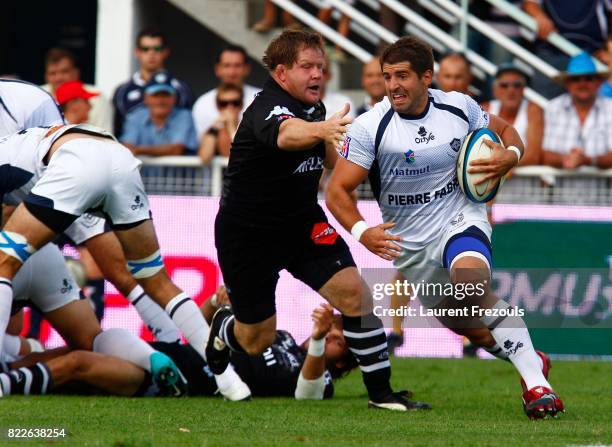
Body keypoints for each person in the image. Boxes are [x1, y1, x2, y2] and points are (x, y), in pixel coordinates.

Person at [325, 36, 564, 419]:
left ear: (426, 76)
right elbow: (337, 189)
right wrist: (360, 231)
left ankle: (538, 387)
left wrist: (510, 156)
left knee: (471, 284)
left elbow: (508, 134)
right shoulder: (371, 127)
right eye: (387, 77)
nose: (393, 85)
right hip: (411, 248)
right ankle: (533, 359)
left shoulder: (459, 106)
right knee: (467, 325)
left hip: (460, 219)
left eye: (402, 75)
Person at [205, 29, 429, 412]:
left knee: (356, 295)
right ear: (281, 73)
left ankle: (382, 395)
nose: (316, 75)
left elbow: (331, 160)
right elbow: (287, 135)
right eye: (306, 67)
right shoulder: (267, 107)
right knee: (257, 340)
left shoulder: (316, 109)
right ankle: (224, 328)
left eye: (321, 68)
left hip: (302, 224)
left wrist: (374, 159)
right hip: (248, 234)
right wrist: (321, 130)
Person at [0, 123, 250, 401]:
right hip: (118, 157)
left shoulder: (9, 155)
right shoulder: (20, 143)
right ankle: (229, 381)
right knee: (154, 280)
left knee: (3, 263)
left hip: (75, 160)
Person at [1, 297, 358, 400]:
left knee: (80, 362)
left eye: (337, 341)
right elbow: (202, 336)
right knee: (67, 351)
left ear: (342, 363)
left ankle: (8, 386)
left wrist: (316, 339)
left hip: (181, 381)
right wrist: (213, 309)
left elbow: (306, 395)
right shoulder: (277, 336)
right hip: (178, 353)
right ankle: (9, 371)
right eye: (332, 332)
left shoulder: (320, 377)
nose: (329, 337)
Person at [112, 28, 194, 135]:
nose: (151, 53)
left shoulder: (182, 90)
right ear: (137, 52)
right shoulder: (122, 92)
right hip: (131, 149)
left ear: (165, 52)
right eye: (145, 49)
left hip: (173, 149)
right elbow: (117, 131)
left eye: (157, 48)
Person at [524, 0, 611, 99]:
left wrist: (609, 49)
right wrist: (539, 16)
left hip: (592, 54)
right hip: (551, 49)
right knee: (543, 104)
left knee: (598, 105)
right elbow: (530, 3)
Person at [542, 52, 612, 170]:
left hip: (602, 188)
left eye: (588, 78)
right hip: (563, 188)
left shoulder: (610, 108)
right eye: (576, 79)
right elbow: (545, 154)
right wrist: (568, 159)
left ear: (598, 82)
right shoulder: (553, 107)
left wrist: (586, 160)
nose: (582, 83)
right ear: (567, 83)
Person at [120, 72, 198, 157]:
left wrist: (139, 150)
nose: (160, 101)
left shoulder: (184, 116)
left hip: (175, 170)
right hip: (144, 170)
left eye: (165, 95)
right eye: (155, 95)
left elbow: (176, 149)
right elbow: (127, 146)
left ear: (174, 98)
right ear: (146, 98)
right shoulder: (136, 116)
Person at [192, 45, 260, 141]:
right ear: (217, 69)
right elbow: (202, 148)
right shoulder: (203, 103)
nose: (232, 72)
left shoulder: (262, 99)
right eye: (226, 65)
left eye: (237, 65)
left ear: (247, 69)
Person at [481, 65, 543, 166]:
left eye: (517, 85)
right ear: (495, 90)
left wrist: (502, 165)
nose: (511, 90)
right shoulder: (485, 109)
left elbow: (534, 156)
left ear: (523, 89)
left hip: (521, 181)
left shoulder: (533, 110)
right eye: (504, 85)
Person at [41, 48, 112, 131]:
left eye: (64, 71)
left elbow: (105, 136)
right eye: (53, 73)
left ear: (76, 73)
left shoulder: (97, 97)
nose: (58, 78)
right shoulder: (38, 95)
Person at [198, 84, 243, 164]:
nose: (230, 107)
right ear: (217, 106)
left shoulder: (250, 128)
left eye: (235, 103)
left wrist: (232, 128)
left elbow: (236, 157)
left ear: (241, 104)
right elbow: (204, 158)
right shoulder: (213, 130)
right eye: (224, 103)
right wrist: (214, 128)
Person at [321, 55, 355, 120]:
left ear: (329, 75)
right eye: (308, 67)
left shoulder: (343, 103)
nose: (317, 74)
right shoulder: (296, 105)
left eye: (323, 71)